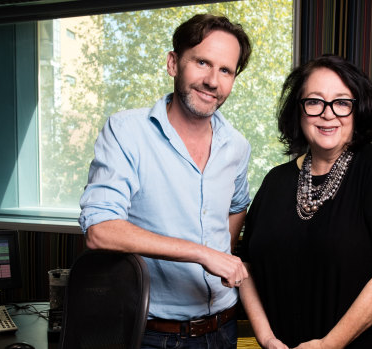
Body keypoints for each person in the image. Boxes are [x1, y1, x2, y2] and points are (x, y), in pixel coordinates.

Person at [79, 14, 252, 348]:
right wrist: (203, 254)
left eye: (226, 70)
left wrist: (223, 254)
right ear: (174, 63)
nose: (213, 81)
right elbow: (100, 229)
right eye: (202, 62)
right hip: (153, 334)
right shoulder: (126, 132)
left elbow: (237, 206)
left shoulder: (237, 145)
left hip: (224, 328)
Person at [239, 54, 372, 348]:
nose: (328, 113)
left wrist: (327, 345)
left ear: (356, 110)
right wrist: (267, 338)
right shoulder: (276, 180)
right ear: (298, 111)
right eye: (314, 102)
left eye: (341, 102)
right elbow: (244, 266)